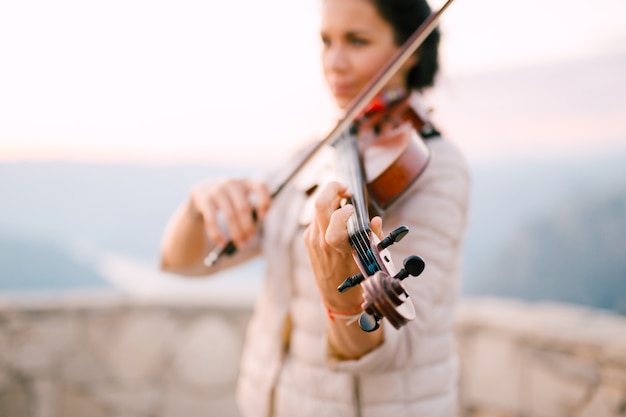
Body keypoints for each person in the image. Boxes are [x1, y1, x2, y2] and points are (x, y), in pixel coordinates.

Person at [160, 0, 471, 415]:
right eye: (327, 41)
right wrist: (198, 205)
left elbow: (395, 350)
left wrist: (338, 292)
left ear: (409, 50)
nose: (334, 63)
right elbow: (184, 262)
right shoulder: (315, 153)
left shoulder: (434, 166)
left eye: (357, 41)